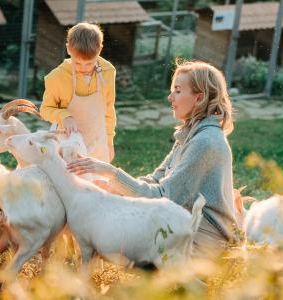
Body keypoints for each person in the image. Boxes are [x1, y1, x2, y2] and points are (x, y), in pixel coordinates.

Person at [67, 60, 238, 264]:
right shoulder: (191, 134)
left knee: (129, 246)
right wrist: (114, 188)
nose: (170, 97)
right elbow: (156, 178)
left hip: (208, 237)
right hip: (186, 222)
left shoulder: (205, 141)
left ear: (199, 98)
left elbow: (163, 196)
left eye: (177, 91)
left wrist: (112, 173)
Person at [40, 22, 117, 162]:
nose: (83, 68)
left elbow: (109, 110)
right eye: (77, 63)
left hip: (98, 144)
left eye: (89, 63)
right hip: (68, 146)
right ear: (69, 50)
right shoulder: (56, 77)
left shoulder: (108, 72)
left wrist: (109, 143)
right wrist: (64, 116)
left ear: (99, 50)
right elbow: (45, 109)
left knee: (97, 182)